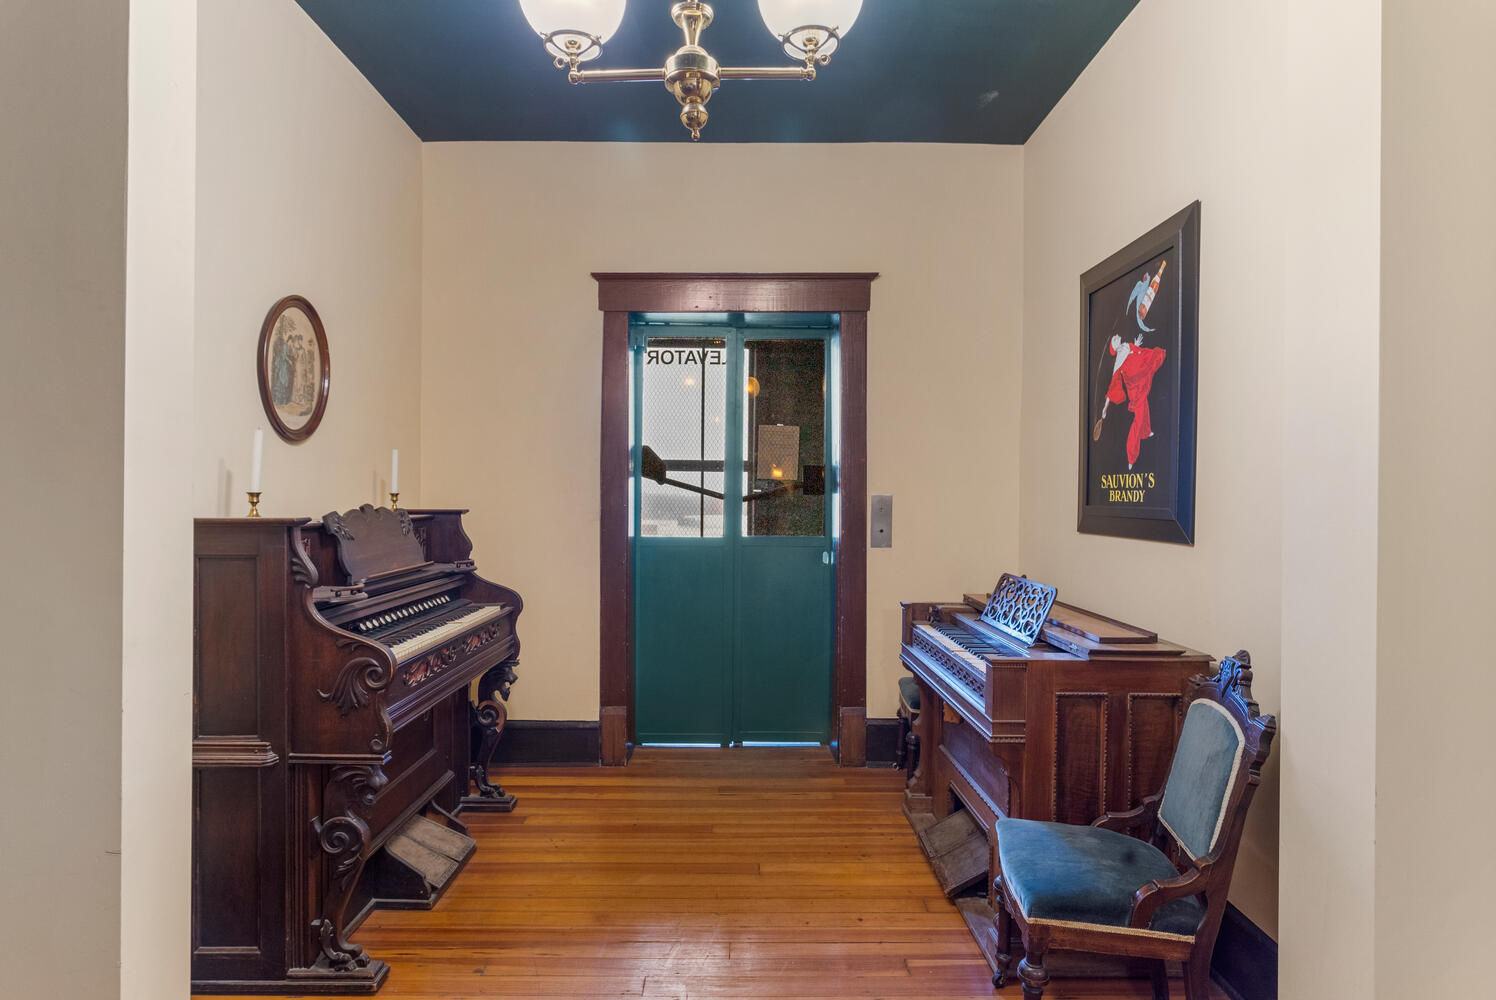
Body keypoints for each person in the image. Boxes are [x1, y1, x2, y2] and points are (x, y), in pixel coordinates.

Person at [1100, 332, 1167, 469]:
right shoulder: (1119, 360)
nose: (1118, 336)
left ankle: (1146, 432)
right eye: (1115, 338)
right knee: (1138, 419)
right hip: (1135, 392)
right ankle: (1131, 456)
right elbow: (1113, 386)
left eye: (1116, 336)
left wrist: (1135, 346)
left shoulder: (1127, 346)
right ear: (1115, 345)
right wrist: (1105, 408)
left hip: (1141, 383)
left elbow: (1133, 352)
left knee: (1145, 408)